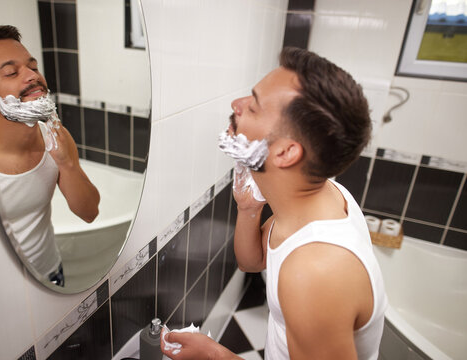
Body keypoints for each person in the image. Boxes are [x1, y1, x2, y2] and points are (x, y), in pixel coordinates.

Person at [161, 47, 387, 359]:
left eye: (252, 107)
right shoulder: (321, 198)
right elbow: (252, 261)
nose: (235, 105)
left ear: (284, 153)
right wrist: (249, 208)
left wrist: (215, 355)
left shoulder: (315, 273)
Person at [0, 25, 100, 286]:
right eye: (12, 72)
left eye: (33, 67)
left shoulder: (54, 135)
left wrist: (67, 163)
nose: (31, 76)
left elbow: (90, 212)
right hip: (1, 289)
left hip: (51, 272)